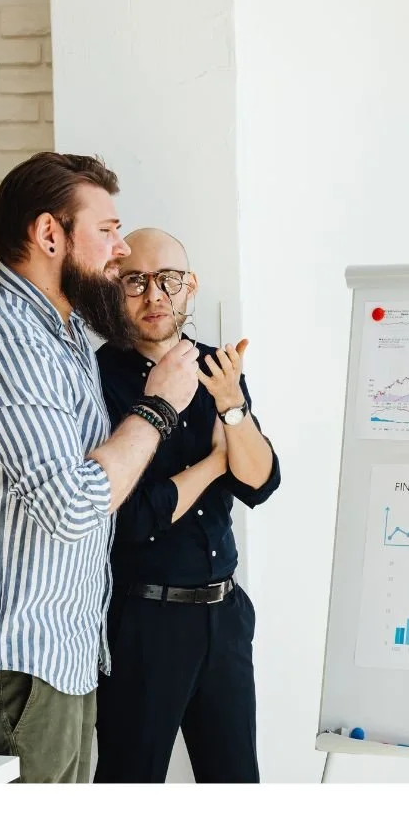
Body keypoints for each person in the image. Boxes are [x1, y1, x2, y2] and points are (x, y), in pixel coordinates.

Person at [0, 153, 200, 783]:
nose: (119, 250)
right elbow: (71, 505)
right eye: (106, 230)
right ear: (48, 235)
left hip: (46, 659)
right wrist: (159, 408)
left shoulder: (57, 333)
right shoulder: (7, 342)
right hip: (8, 669)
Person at [93, 228, 281, 783]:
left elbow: (261, 482)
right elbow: (131, 520)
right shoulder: (96, 380)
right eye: (136, 281)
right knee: (130, 783)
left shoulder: (218, 370)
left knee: (236, 783)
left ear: (190, 287)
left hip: (223, 615)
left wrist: (231, 406)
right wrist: (216, 462)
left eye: (168, 280)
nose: (154, 296)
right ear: (114, 288)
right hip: (143, 620)